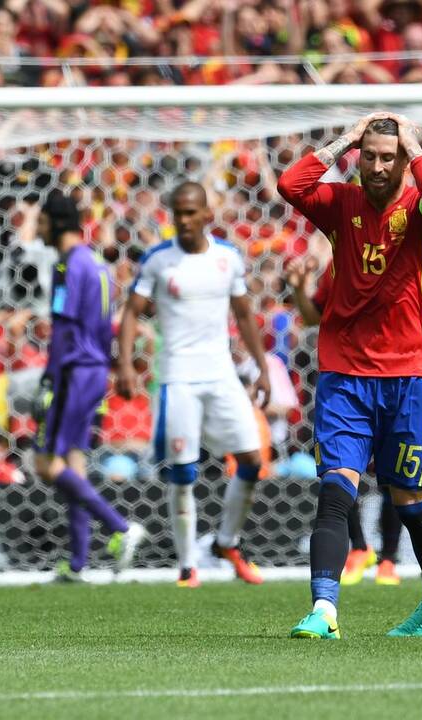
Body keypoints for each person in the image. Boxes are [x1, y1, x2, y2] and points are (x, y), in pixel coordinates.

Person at [278, 112, 422, 638]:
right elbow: (291, 184)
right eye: (369, 157)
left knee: (410, 502)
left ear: (403, 159)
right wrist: (344, 142)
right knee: (335, 491)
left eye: (387, 157)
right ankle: (324, 610)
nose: (376, 167)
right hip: (344, 373)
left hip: (409, 376)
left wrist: (414, 144)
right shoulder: (341, 205)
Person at [116, 182, 271, 589]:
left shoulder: (227, 258)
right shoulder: (158, 261)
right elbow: (131, 313)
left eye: (190, 213)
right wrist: (127, 365)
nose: (184, 221)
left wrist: (263, 368)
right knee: (183, 473)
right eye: (177, 213)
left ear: (206, 215)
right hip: (178, 377)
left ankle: (226, 543)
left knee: (252, 459)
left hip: (221, 373)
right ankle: (187, 566)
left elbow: (243, 314)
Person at [33, 189, 148, 582]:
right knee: (75, 462)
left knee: (47, 463)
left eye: (42, 221)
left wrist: (50, 374)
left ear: (56, 222)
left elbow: (64, 327)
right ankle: (79, 562)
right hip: (96, 369)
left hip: (74, 368)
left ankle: (120, 527)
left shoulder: (66, 266)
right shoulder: (98, 264)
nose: (38, 228)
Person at [286, 255, 403, 587]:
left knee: (390, 475)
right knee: (339, 468)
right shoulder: (337, 264)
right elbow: (314, 317)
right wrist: (299, 291)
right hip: (345, 379)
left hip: (391, 377)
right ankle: (359, 547)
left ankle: (389, 560)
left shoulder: (394, 256)